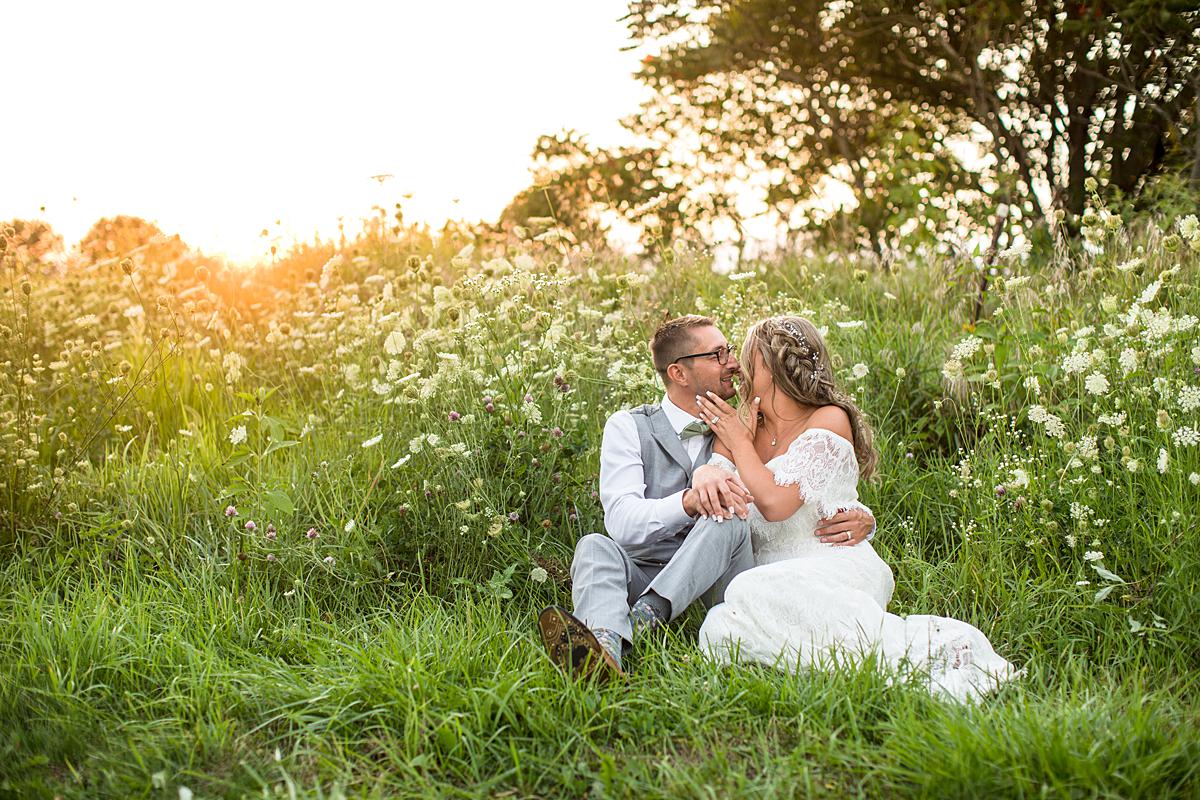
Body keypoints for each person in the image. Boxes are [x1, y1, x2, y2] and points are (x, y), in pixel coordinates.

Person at [695, 316, 1020, 702]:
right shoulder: (747, 423)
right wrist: (703, 471)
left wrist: (739, 441)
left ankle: (928, 658)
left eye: (750, 357)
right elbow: (715, 478)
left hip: (833, 566)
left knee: (747, 590)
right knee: (717, 628)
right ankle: (828, 666)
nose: (742, 367)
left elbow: (775, 504)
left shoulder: (828, 418)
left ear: (772, 363)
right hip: (770, 573)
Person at [537, 315, 877, 678]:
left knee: (729, 515)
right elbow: (621, 521)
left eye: (731, 351)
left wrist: (863, 518)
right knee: (593, 545)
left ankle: (641, 620)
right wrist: (688, 500)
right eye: (718, 355)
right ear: (679, 374)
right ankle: (605, 650)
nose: (733, 363)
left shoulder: (741, 423)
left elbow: (798, 487)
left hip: (722, 578)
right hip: (650, 569)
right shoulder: (629, 426)